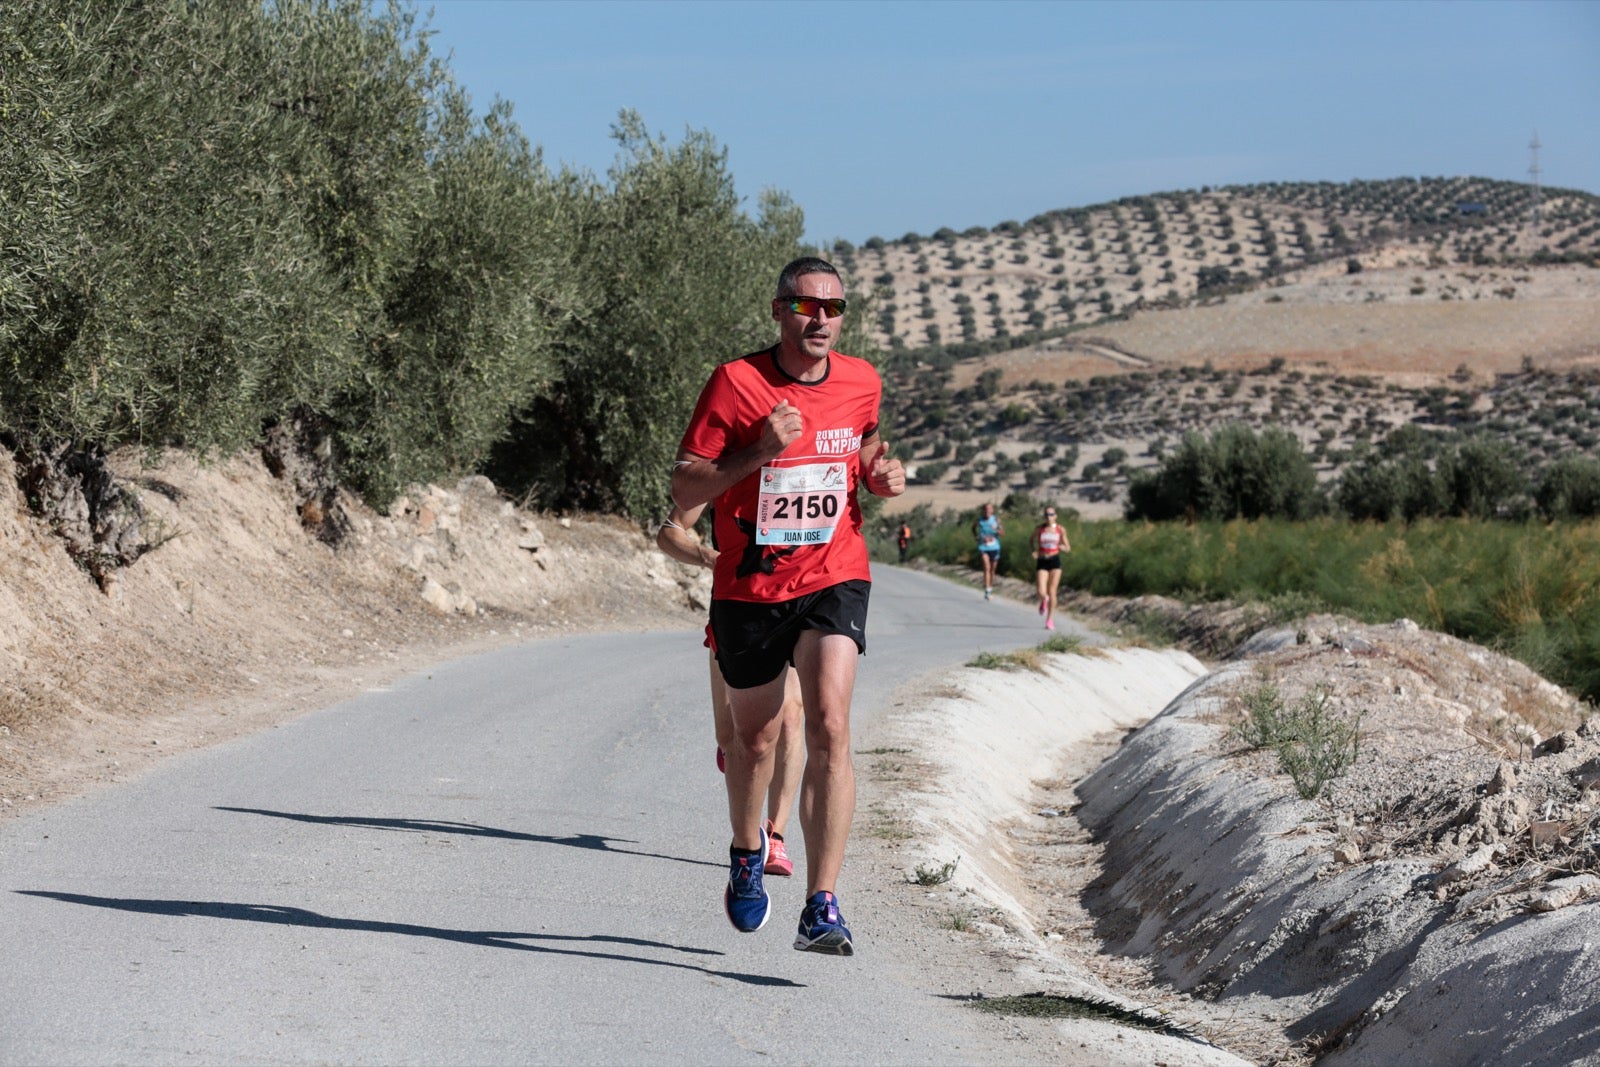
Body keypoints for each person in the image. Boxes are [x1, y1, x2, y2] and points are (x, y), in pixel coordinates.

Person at [672, 255, 905, 956]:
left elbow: (859, 445)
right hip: (750, 587)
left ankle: (821, 903)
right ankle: (748, 850)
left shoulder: (863, 380)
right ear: (779, 310)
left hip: (835, 570)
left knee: (831, 722)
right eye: (807, 306)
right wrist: (757, 454)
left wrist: (876, 472)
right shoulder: (736, 384)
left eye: (833, 308)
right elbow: (685, 494)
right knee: (758, 738)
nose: (821, 320)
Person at [656, 502, 805, 877]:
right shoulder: (731, 465)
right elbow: (669, 532)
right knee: (732, 737)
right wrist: (708, 556)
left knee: (791, 716)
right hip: (736, 609)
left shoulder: (812, 462)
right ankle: (740, 761)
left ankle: (775, 836)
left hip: (801, 603)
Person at [1030, 505, 1070, 631]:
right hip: (1042, 560)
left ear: (1056, 516)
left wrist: (1063, 548)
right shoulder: (1039, 529)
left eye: (1051, 514)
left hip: (1055, 561)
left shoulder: (1060, 529)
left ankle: (1050, 619)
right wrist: (1034, 551)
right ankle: (1043, 600)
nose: (1049, 517)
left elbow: (1068, 547)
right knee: (1041, 590)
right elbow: (1031, 540)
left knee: (1052, 591)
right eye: (1047, 514)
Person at [973, 502, 1003, 600]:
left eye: (989, 509)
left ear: (992, 510)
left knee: (992, 570)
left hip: (995, 547)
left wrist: (996, 530)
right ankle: (987, 590)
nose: (987, 511)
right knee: (986, 567)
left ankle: (990, 587)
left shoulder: (996, 520)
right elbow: (973, 528)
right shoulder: (979, 520)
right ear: (983, 510)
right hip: (983, 547)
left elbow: (1003, 533)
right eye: (985, 509)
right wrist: (976, 536)